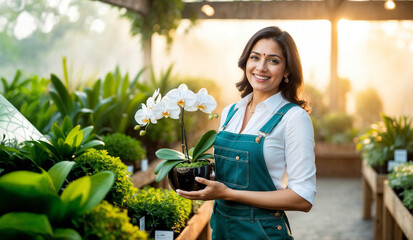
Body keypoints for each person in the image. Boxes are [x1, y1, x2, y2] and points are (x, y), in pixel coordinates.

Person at [176, 26, 316, 240]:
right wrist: (197, 179)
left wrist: (228, 194)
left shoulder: (294, 118)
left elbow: (303, 198)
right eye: (255, 57)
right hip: (222, 230)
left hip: (262, 233)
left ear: (287, 70)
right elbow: (228, 175)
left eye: (273, 60)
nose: (261, 67)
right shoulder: (230, 113)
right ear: (245, 62)